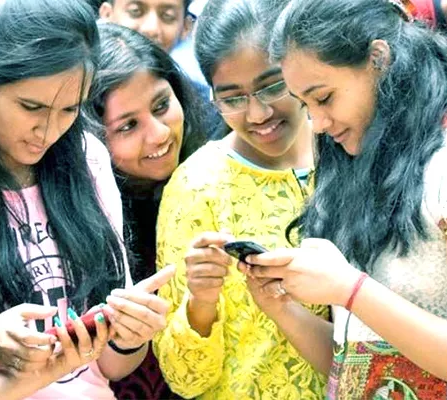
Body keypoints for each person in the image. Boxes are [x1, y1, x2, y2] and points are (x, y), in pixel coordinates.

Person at [0, 0, 173, 399]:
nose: (47, 130)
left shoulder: (88, 158)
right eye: (31, 107)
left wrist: (131, 335)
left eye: (69, 110)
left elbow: (111, 366)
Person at [244, 0, 447, 398]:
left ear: (379, 59)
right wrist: (282, 309)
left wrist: (351, 289)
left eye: (324, 98)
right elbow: (358, 365)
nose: (317, 124)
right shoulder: (353, 165)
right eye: (305, 105)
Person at [152, 0, 330, 398]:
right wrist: (200, 303)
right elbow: (183, 380)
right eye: (233, 98)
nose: (258, 114)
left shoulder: (344, 148)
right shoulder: (197, 186)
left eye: (273, 86)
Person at [87, 22, 206, 399]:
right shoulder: (84, 222)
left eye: (162, 106)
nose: (159, 134)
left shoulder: (214, 178)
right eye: (128, 126)